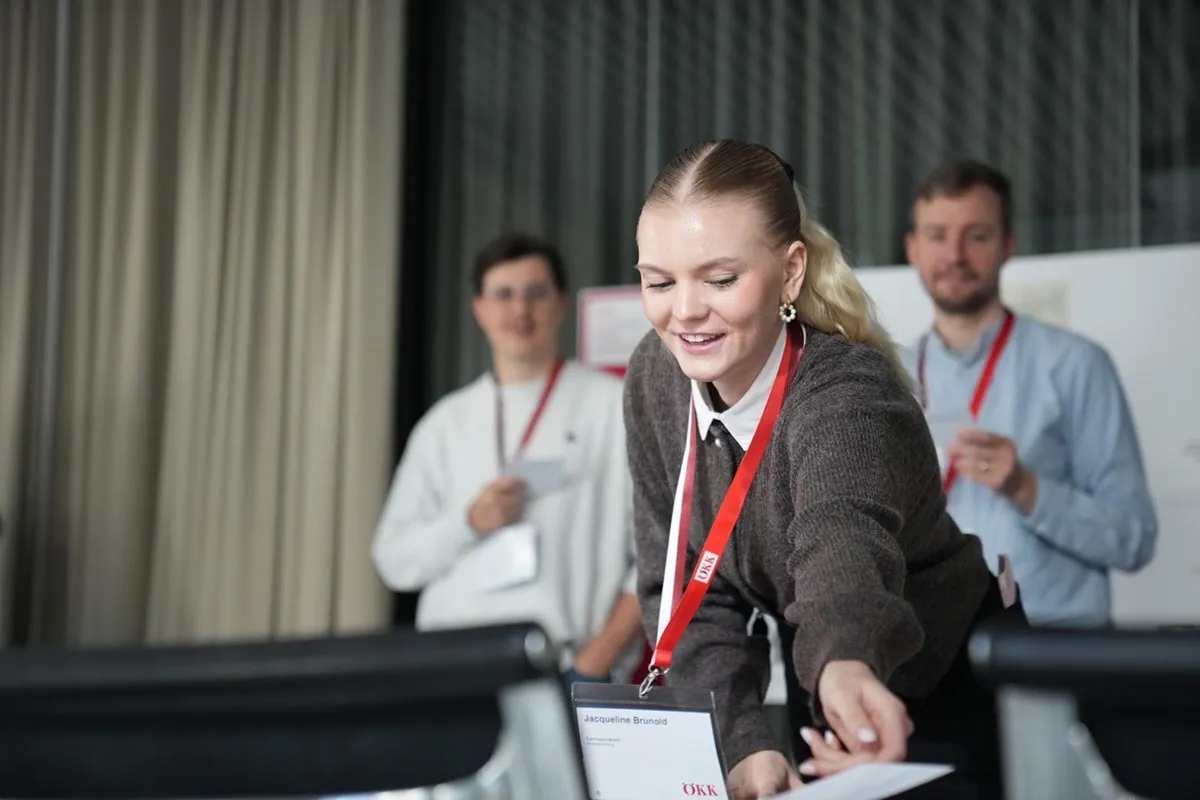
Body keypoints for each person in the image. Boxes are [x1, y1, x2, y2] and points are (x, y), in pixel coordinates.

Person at [623, 139, 1024, 800]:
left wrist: (844, 661)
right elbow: (686, 585)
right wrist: (742, 739)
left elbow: (841, 542)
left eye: (719, 279)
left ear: (790, 273)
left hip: (938, 668)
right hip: (824, 668)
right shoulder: (655, 378)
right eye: (659, 282)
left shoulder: (844, 393)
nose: (685, 310)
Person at [372, 232, 643, 685]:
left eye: (536, 293)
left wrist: (594, 663)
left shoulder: (612, 407)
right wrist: (468, 523)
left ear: (561, 303)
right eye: (503, 295)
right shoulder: (445, 423)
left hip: (564, 668)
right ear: (479, 308)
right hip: (451, 671)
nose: (520, 310)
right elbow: (394, 560)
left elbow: (661, 556)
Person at [903, 160, 1157, 627]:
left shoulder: (1076, 365)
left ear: (1007, 246)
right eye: (938, 236)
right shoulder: (889, 377)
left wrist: (1026, 488)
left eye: (977, 236)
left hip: (1052, 647)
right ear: (913, 249)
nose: (955, 255)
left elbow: (1134, 538)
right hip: (931, 646)